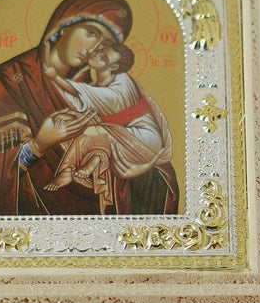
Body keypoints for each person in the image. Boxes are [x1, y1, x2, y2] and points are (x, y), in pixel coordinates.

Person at [0, 0, 178, 216]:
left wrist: (139, 170)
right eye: (92, 33)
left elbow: (158, 175)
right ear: (63, 26)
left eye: (106, 44)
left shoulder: (99, 91)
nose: (94, 48)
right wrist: (39, 144)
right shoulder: (11, 81)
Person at [43, 41, 173, 213]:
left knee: (91, 133)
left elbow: (81, 95)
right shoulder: (98, 82)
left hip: (145, 138)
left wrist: (54, 76)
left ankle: (67, 171)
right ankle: (90, 164)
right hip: (120, 131)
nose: (97, 56)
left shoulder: (121, 85)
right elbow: (89, 109)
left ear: (115, 66)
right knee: (78, 129)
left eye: (103, 57)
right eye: (100, 51)